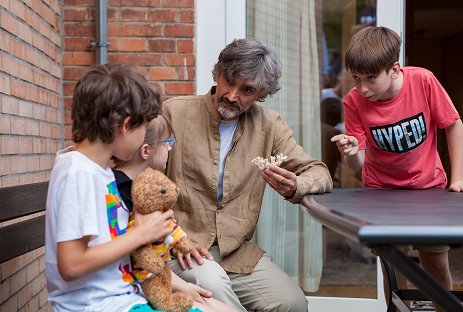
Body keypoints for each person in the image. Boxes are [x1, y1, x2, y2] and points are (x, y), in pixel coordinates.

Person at [162, 38, 333, 312]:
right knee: (213, 287)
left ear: (261, 94)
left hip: (236, 253)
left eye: (247, 89)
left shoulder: (269, 125)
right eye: (228, 81)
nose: (231, 95)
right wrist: (176, 237)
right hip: (180, 247)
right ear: (217, 72)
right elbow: (142, 186)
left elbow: (319, 173)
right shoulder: (174, 113)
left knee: (292, 303)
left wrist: (296, 185)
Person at [331, 26, 463, 311]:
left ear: (394, 70)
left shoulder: (423, 81)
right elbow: (357, 163)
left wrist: (457, 178)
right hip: (381, 192)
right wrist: (351, 153)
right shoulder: (353, 102)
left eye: (370, 78)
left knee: (435, 262)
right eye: (356, 78)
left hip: (428, 187)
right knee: (393, 265)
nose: (363, 87)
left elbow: (453, 124)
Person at [45, 64, 176, 312]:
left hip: (122, 299)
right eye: (143, 127)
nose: (142, 138)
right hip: (99, 306)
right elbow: (71, 264)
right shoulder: (79, 173)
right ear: (126, 126)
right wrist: (141, 234)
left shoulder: (99, 170)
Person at [112, 115, 239, 312]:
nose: (171, 148)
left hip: (151, 283)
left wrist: (184, 286)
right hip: (136, 290)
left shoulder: (141, 187)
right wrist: (180, 287)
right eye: (168, 142)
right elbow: (138, 258)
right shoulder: (125, 194)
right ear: (146, 151)